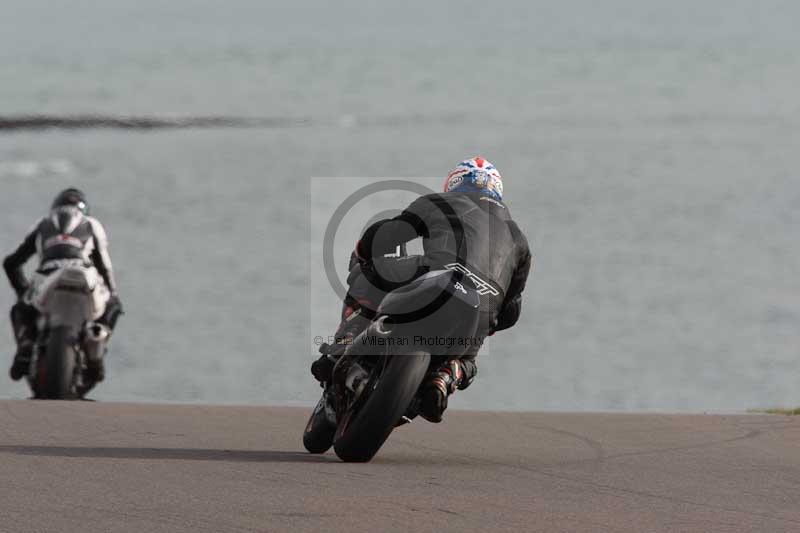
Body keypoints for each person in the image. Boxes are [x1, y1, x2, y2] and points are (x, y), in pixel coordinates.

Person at [312, 157, 532, 422]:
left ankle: (341, 347)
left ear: (454, 183)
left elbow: (391, 235)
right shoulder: (519, 238)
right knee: (469, 360)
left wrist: (364, 251)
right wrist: (491, 323)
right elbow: (512, 310)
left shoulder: (440, 202)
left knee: (366, 274)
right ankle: (445, 376)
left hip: (437, 276)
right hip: (480, 308)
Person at [3, 188, 123, 381]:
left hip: (48, 275)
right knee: (113, 306)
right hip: (84, 274)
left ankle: (25, 346)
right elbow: (104, 264)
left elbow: (11, 262)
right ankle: (97, 342)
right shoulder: (91, 223)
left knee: (20, 310)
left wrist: (22, 291)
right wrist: (113, 291)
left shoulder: (43, 223)